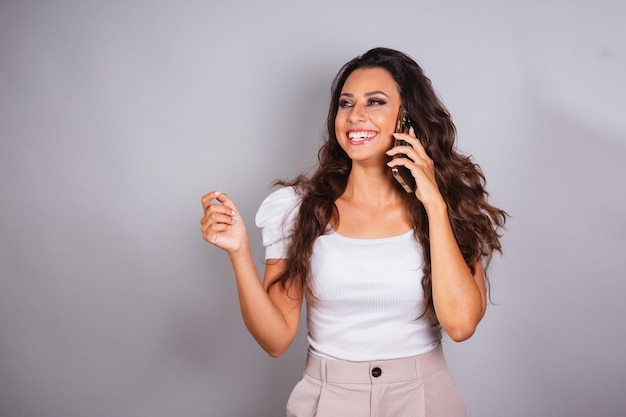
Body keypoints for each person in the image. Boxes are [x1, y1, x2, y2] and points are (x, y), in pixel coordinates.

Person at [200, 47, 507, 417]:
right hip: (328, 398)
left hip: (424, 397)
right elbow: (276, 338)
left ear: (407, 118)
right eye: (346, 104)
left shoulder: (449, 206)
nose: (355, 116)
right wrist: (239, 253)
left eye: (375, 102)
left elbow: (460, 324)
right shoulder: (297, 209)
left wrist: (435, 205)